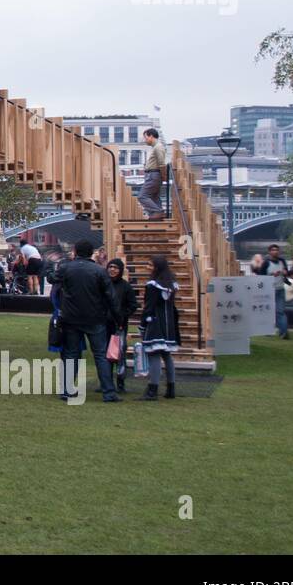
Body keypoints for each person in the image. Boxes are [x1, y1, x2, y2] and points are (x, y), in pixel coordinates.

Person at [49, 239, 121, 402]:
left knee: (71, 354)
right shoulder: (99, 271)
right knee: (100, 355)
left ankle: (67, 390)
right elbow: (111, 297)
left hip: (71, 318)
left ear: (75, 251)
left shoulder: (66, 268)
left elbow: (52, 279)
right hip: (95, 318)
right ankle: (108, 392)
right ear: (91, 253)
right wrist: (118, 318)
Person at [139, 255, 181, 400]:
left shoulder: (153, 285)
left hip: (155, 322)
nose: (147, 267)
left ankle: (153, 390)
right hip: (169, 323)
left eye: (150, 265)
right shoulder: (171, 284)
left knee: (154, 354)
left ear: (156, 267)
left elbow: (148, 307)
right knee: (167, 355)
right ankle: (171, 389)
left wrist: (142, 324)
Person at [106, 258, 138, 393]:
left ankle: (120, 383)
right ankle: (106, 382)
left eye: (116, 268)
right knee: (104, 354)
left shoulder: (126, 286)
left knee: (119, 354)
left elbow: (133, 305)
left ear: (120, 270)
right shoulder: (103, 284)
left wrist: (122, 315)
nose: (112, 270)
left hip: (119, 326)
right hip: (103, 325)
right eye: (110, 267)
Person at [137, 128, 167, 220]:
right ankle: (158, 214)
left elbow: (161, 163)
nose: (145, 140)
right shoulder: (157, 147)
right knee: (154, 197)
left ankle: (157, 212)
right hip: (154, 175)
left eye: (146, 137)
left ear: (151, 136)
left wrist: (163, 176)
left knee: (142, 196)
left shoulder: (158, 147)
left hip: (153, 175)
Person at [262, 243, 290, 339]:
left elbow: (287, 273)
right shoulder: (266, 263)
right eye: (273, 250)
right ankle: (267, 330)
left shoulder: (282, 261)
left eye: (277, 250)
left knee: (280, 311)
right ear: (269, 252)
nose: (275, 252)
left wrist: (285, 273)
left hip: (280, 289)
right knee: (268, 311)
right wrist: (271, 275)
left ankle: (284, 332)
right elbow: (260, 277)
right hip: (269, 290)